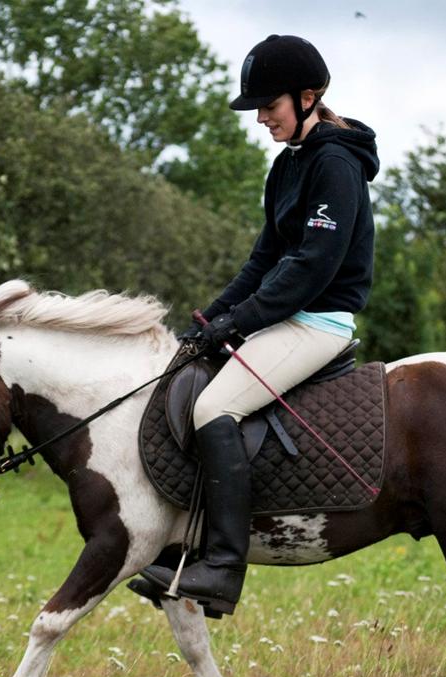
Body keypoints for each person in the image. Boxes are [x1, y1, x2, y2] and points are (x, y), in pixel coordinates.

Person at [140, 34, 379, 615]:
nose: (262, 120)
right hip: (283, 318)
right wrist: (210, 318)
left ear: (307, 97)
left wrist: (237, 323)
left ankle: (223, 565)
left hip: (318, 322)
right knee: (185, 381)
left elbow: (309, 267)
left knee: (212, 410)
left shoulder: (335, 166)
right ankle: (181, 547)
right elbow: (264, 260)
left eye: (269, 107)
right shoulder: (288, 167)